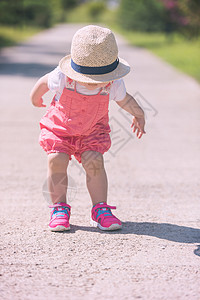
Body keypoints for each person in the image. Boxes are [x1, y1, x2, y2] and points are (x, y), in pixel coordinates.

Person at [30, 25, 146, 232]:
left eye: (99, 79)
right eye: (89, 79)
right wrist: (35, 97)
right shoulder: (62, 77)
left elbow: (125, 100)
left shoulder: (113, 83)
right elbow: (43, 82)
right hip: (61, 128)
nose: (94, 83)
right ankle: (59, 208)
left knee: (95, 162)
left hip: (93, 131)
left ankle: (100, 209)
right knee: (56, 160)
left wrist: (139, 114)